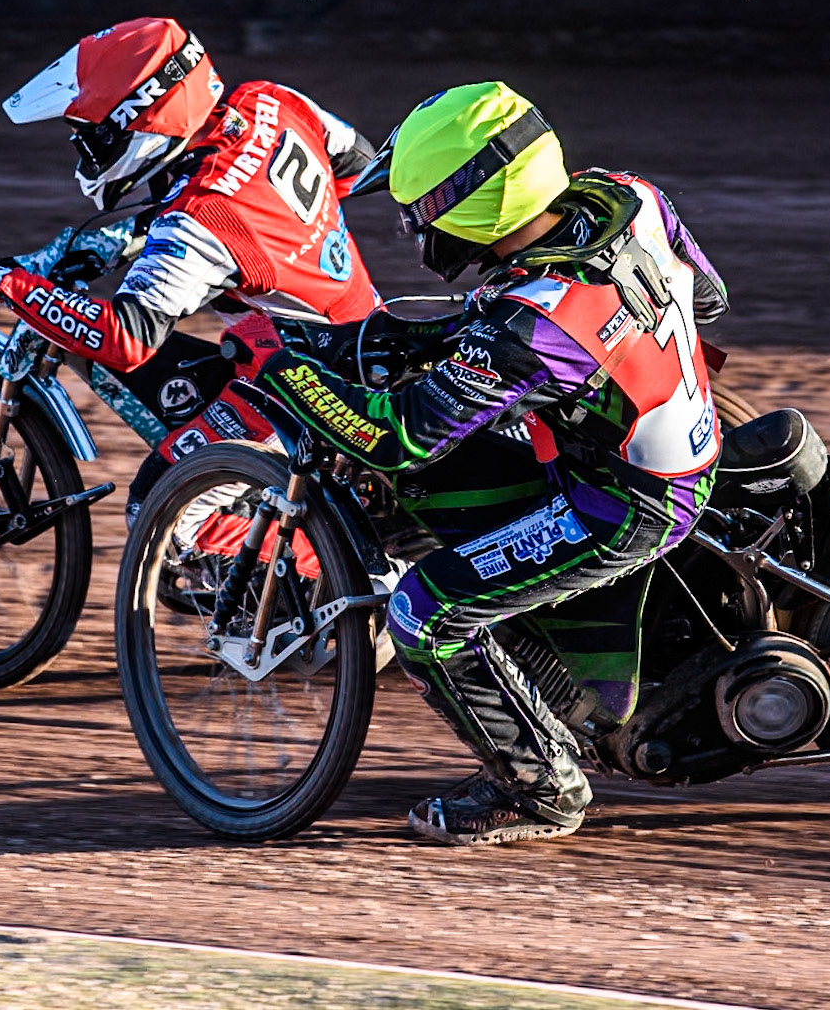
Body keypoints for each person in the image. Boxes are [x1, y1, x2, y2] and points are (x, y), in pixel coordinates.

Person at [227, 82, 728, 845]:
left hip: (621, 505)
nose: (411, 227)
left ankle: (541, 791)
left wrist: (279, 369)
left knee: (422, 613)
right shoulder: (626, 197)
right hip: (672, 438)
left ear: (473, 207)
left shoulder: (532, 323)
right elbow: (709, 297)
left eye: (418, 211)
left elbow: (395, 438)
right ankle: (551, 682)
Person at [0, 17, 382, 497]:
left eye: (92, 136)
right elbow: (358, 165)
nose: (85, 150)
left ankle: (297, 567)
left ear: (140, 120)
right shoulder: (272, 99)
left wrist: (13, 286)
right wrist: (275, 237)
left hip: (305, 384)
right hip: (359, 331)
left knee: (157, 501)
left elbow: (126, 339)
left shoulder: (199, 219)